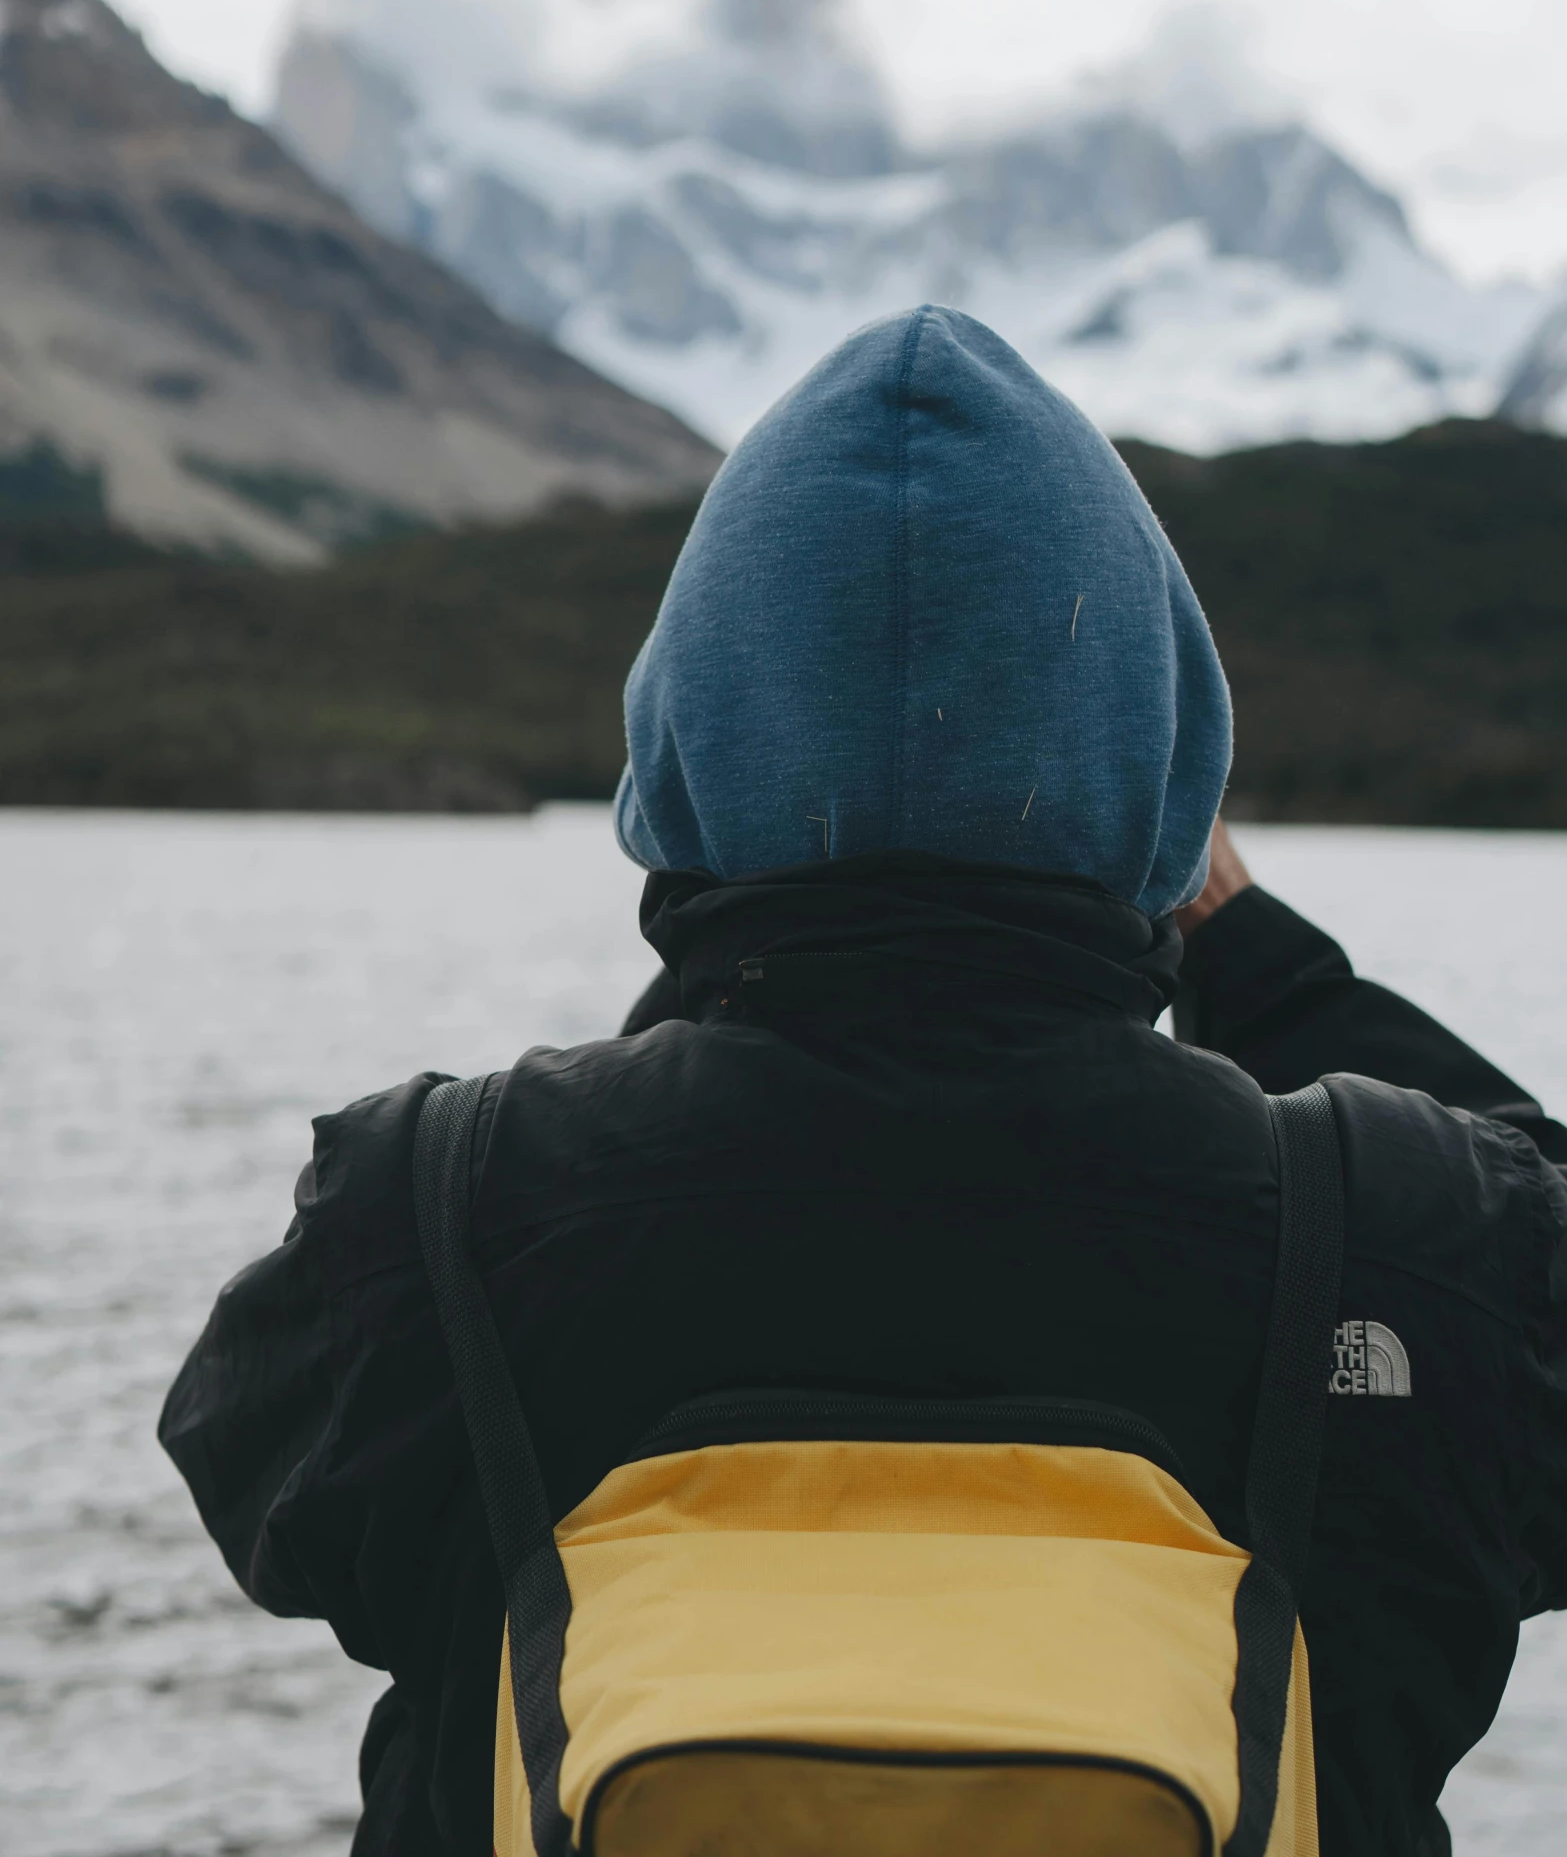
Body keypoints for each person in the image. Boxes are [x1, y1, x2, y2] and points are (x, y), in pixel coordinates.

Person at [161, 307, 1567, 1857]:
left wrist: (696, 993)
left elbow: (253, 1478)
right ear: (1165, 781)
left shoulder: (428, 1212)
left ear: (678, 760)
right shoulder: (1418, 1235)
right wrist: (1254, 955)